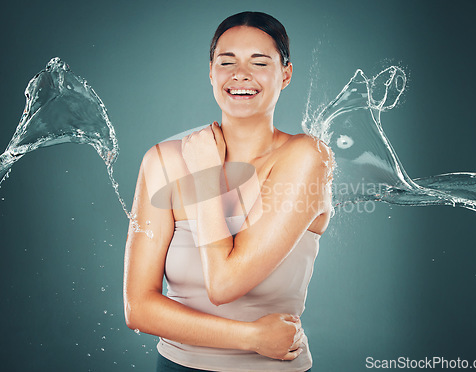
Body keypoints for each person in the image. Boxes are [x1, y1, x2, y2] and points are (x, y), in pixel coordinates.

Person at [124, 11, 333, 372]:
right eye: (226, 61)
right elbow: (138, 308)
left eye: (259, 62)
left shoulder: (306, 156)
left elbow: (223, 284)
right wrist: (250, 337)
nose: (241, 74)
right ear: (210, 72)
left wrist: (207, 176)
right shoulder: (161, 160)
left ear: (286, 73)